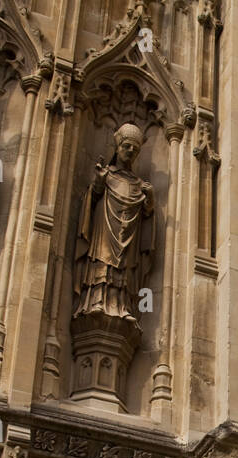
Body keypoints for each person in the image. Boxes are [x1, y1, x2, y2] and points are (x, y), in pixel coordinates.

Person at [74, 123, 155, 322]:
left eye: (135, 149)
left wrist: (150, 197)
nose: (130, 151)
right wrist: (99, 182)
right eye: (127, 146)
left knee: (125, 270)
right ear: (117, 147)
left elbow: (147, 214)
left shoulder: (138, 184)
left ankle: (123, 305)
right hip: (105, 231)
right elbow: (91, 202)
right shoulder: (107, 174)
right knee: (102, 263)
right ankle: (96, 301)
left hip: (128, 239)